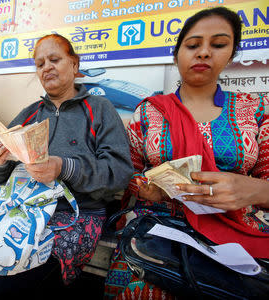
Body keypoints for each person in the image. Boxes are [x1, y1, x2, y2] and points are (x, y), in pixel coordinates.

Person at [0, 33, 134, 299]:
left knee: (0, 288)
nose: (46, 67)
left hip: (75, 217)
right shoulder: (29, 114)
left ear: (74, 64)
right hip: (19, 210)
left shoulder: (100, 109)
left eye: (54, 59)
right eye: (39, 63)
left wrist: (64, 167)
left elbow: (119, 173)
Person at [105, 7, 269, 299]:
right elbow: (128, 171)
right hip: (160, 227)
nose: (204, 52)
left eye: (218, 45)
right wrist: (146, 189)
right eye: (193, 45)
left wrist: (254, 190)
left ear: (231, 55)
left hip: (238, 229)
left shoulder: (253, 110)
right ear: (177, 53)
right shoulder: (149, 111)